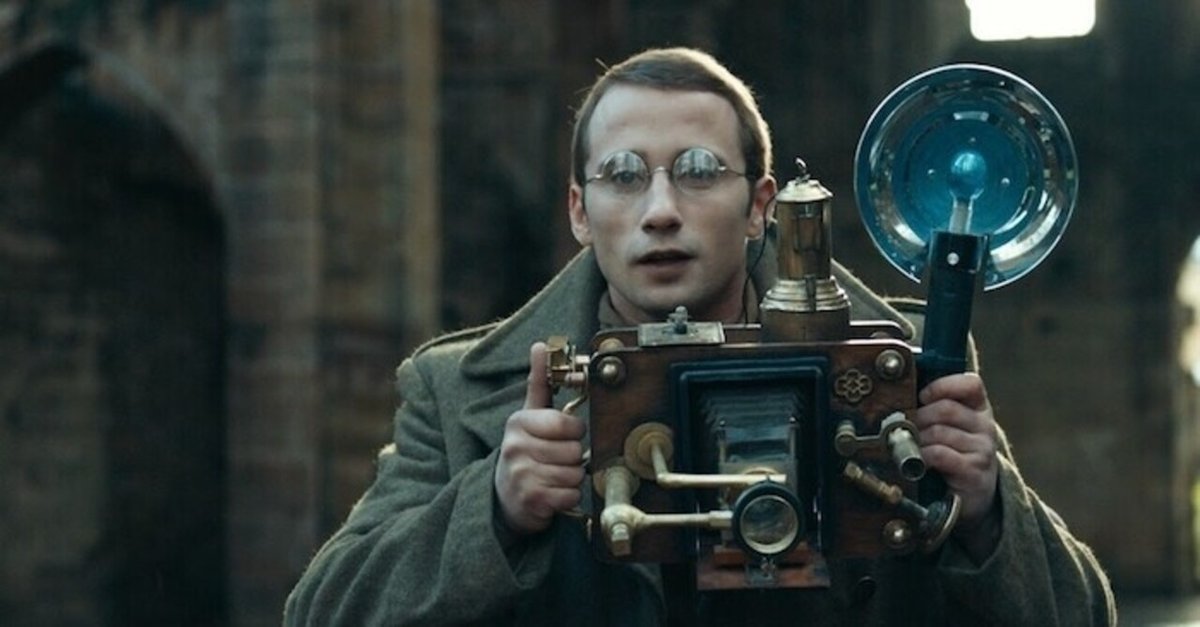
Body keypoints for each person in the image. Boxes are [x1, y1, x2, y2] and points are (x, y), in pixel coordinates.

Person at [284, 47, 1116, 626]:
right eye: (622, 176)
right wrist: (492, 509)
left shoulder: (901, 363)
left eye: (698, 171)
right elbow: (321, 609)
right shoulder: (455, 390)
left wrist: (986, 513)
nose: (660, 210)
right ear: (580, 212)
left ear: (761, 206)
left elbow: (1081, 613)